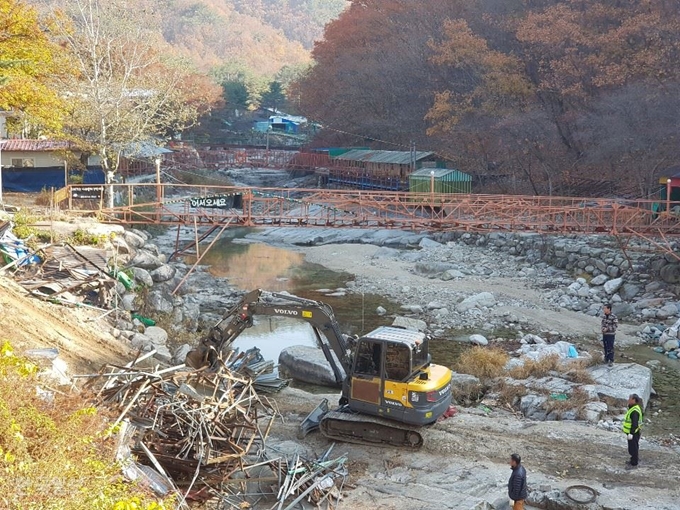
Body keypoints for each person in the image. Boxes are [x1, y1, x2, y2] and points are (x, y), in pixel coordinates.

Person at [623, 393, 643, 469]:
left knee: (633, 448)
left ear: (633, 400)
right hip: (634, 432)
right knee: (633, 447)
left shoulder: (634, 411)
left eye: (629, 398)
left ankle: (634, 463)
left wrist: (631, 433)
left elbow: (634, 423)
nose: (628, 400)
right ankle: (633, 460)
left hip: (634, 432)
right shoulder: (633, 408)